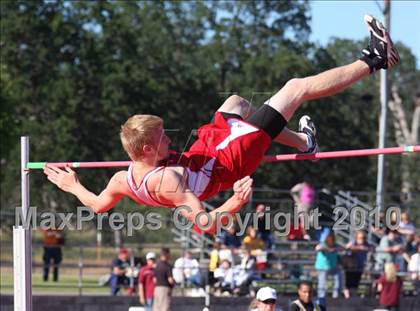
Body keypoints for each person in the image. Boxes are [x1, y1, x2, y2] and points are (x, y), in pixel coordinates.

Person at [44, 15, 399, 234]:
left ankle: (306, 143)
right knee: (295, 88)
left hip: (204, 154)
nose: (169, 137)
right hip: (228, 162)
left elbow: (98, 205)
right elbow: (203, 224)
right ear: (148, 149)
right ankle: (375, 59)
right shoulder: (167, 180)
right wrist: (234, 203)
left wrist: (73, 185)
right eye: (163, 137)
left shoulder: (122, 179)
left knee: (235, 103)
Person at [315, 229, 343, 306]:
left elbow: (342, 248)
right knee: (322, 283)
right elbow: (317, 248)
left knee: (339, 276)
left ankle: (336, 295)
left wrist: (335, 249)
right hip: (322, 267)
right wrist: (328, 249)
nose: (331, 239)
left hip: (332, 267)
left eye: (332, 237)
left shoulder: (335, 245)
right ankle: (321, 298)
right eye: (329, 237)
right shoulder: (323, 244)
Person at [343, 231, 372, 298]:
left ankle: (353, 297)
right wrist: (358, 248)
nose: (362, 239)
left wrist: (364, 248)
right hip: (351, 267)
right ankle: (347, 296)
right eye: (360, 238)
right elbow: (346, 248)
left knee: (356, 283)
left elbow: (371, 248)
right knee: (348, 283)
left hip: (359, 266)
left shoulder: (366, 244)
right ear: (357, 238)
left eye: (363, 238)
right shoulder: (353, 242)